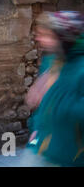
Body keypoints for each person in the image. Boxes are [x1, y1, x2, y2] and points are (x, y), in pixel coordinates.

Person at [21, 11, 84, 167]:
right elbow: (42, 107)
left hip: (71, 158)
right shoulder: (51, 60)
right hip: (40, 150)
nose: (38, 39)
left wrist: (57, 98)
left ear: (63, 38)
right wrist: (35, 127)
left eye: (46, 34)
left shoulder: (81, 68)